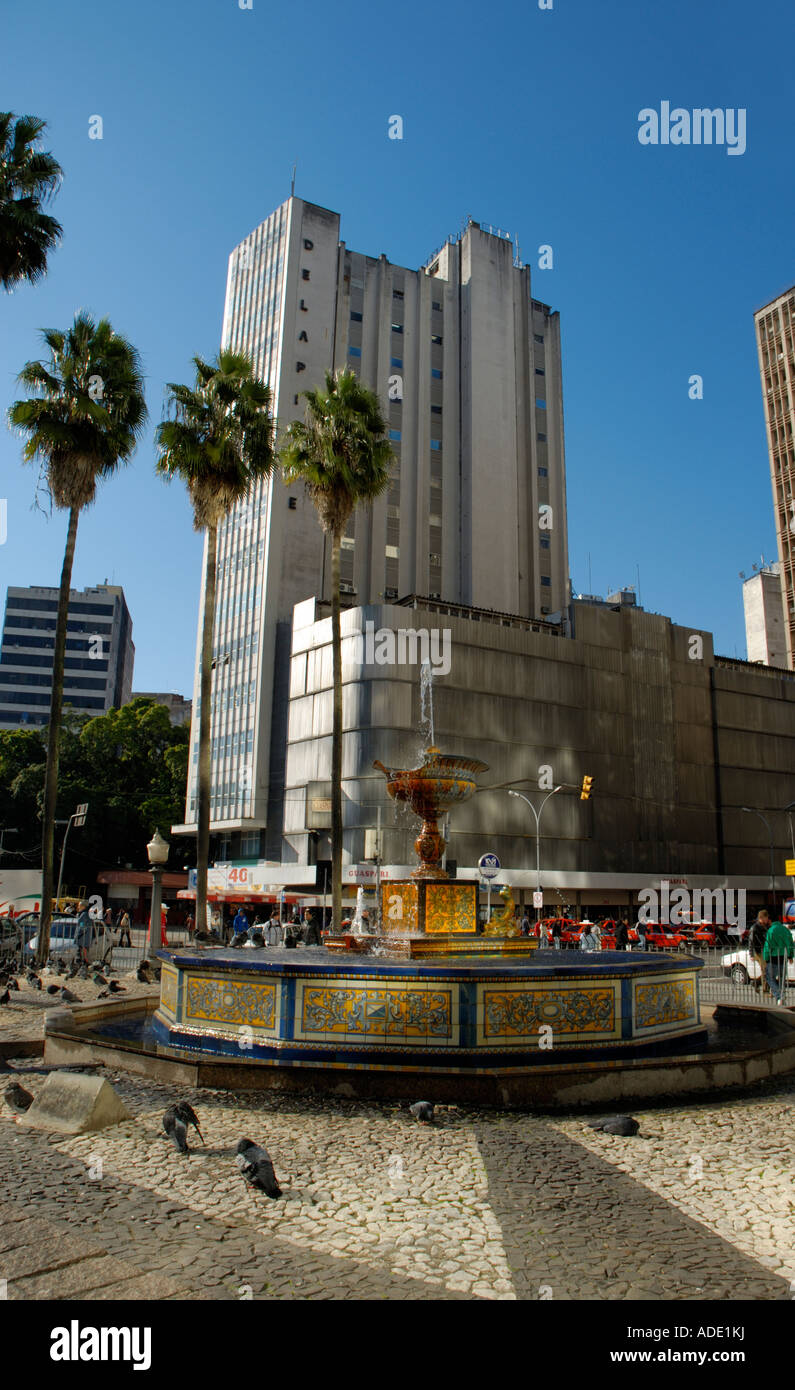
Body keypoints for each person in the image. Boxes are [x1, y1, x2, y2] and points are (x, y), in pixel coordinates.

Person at [762, 916, 793, 1005]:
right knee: (782, 978)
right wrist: (790, 956)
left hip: (773, 958)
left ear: (770, 921)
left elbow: (767, 946)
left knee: (769, 977)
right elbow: (790, 943)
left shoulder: (771, 930)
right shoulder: (785, 930)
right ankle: (781, 995)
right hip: (784, 957)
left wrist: (766, 957)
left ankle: (779, 996)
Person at [748, 909, 771, 993]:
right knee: (765, 970)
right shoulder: (755, 928)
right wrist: (751, 954)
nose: (767, 919)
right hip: (758, 951)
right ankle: (765, 990)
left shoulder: (766, 926)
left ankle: (756, 983)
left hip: (765, 950)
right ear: (762, 918)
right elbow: (751, 941)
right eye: (766, 917)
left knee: (767, 970)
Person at [74, 900, 93, 965]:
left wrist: (79, 934)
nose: (78, 907)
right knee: (84, 955)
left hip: (82, 938)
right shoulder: (87, 914)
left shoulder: (84, 914)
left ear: (83, 906)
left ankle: (79, 967)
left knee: (80, 955)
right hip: (85, 938)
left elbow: (82, 925)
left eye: (79, 906)